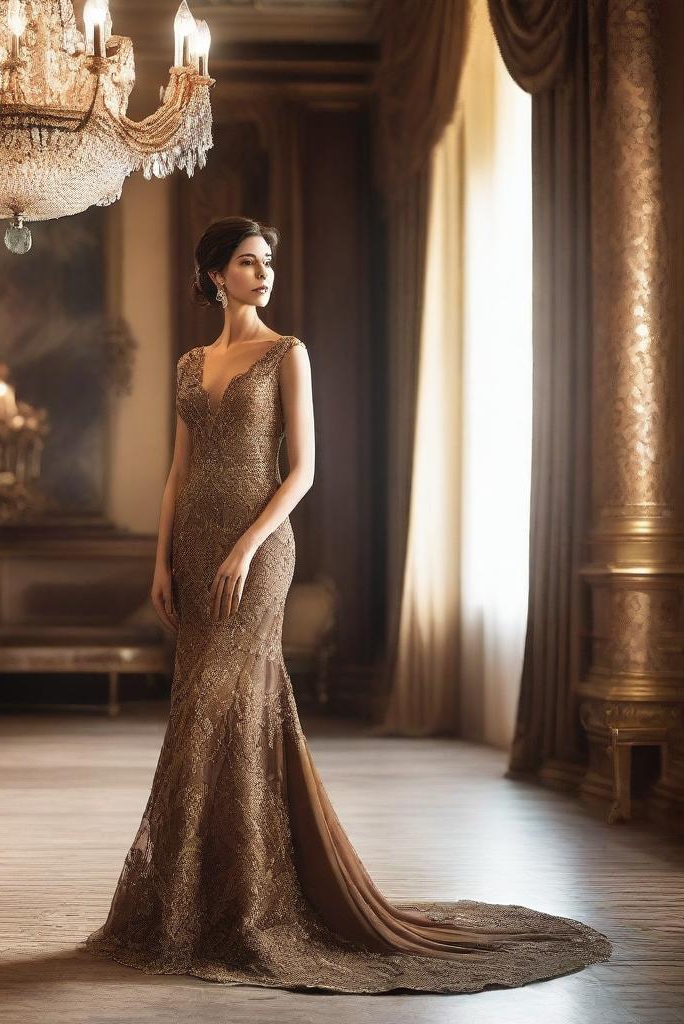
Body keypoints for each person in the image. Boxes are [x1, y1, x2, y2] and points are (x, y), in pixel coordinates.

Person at [82, 216, 611, 993]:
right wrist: (158, 560)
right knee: (217, 710)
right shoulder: (192, 365)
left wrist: (245, 546)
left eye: (267, 263)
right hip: (192, 551)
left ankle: (236, 904)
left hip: (257, 554)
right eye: (246, 263)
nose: (262, 275)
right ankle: (204, 899)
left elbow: (303, 470)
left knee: (213, 707)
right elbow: (176, 471)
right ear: (214, 275)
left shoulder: (286, 353)